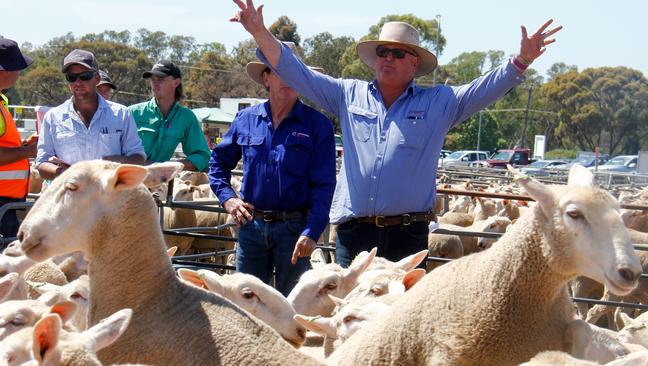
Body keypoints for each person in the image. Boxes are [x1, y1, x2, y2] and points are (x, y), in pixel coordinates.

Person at [231, 1, 562, 267]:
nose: (387, 58)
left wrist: (520, 61)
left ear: (414, 63)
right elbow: (295, 71)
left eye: (397, 53)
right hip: (354, 232)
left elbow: (482, 90)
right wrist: (260, 33)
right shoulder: (347, 94)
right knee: (351, 320)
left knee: (400, 326)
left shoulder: (440, 102)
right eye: (383, 52)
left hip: (407, 233)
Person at [208, 43, 336, 296]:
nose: (288, 78)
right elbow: (218, 162)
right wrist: (229, 199)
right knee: (247, 302)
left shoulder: (318, 125)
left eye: (294, 72)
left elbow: (324, 185)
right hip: (251, 226)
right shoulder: (246, 119)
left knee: (293, 305)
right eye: (280, 71)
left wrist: (312, 231)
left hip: (295, 229)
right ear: (266, 78)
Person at [36, 49, 145, 180]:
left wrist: (116, 162)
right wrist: (65, 173)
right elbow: (42, 163)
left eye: (85, 76)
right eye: (71, 77)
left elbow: (138, 157)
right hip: (71, 197)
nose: (77, 83)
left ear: (97, 78)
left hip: (109, 197)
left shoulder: (122, 114)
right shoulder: (53, 117)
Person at [129, 61, 210, 171]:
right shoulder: (131, 113)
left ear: (176, 83)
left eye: (160, 79)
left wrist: (170, 166)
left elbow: (202, 156)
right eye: (152, 79)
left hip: (158, 183)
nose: (154, 83)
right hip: (127, 180)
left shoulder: (186, 118)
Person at [0, 38, 37, 241]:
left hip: (6, 205)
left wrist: (21, 147)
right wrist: (28, 152)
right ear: (4, 70)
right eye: (17, 67)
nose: (19, 73)